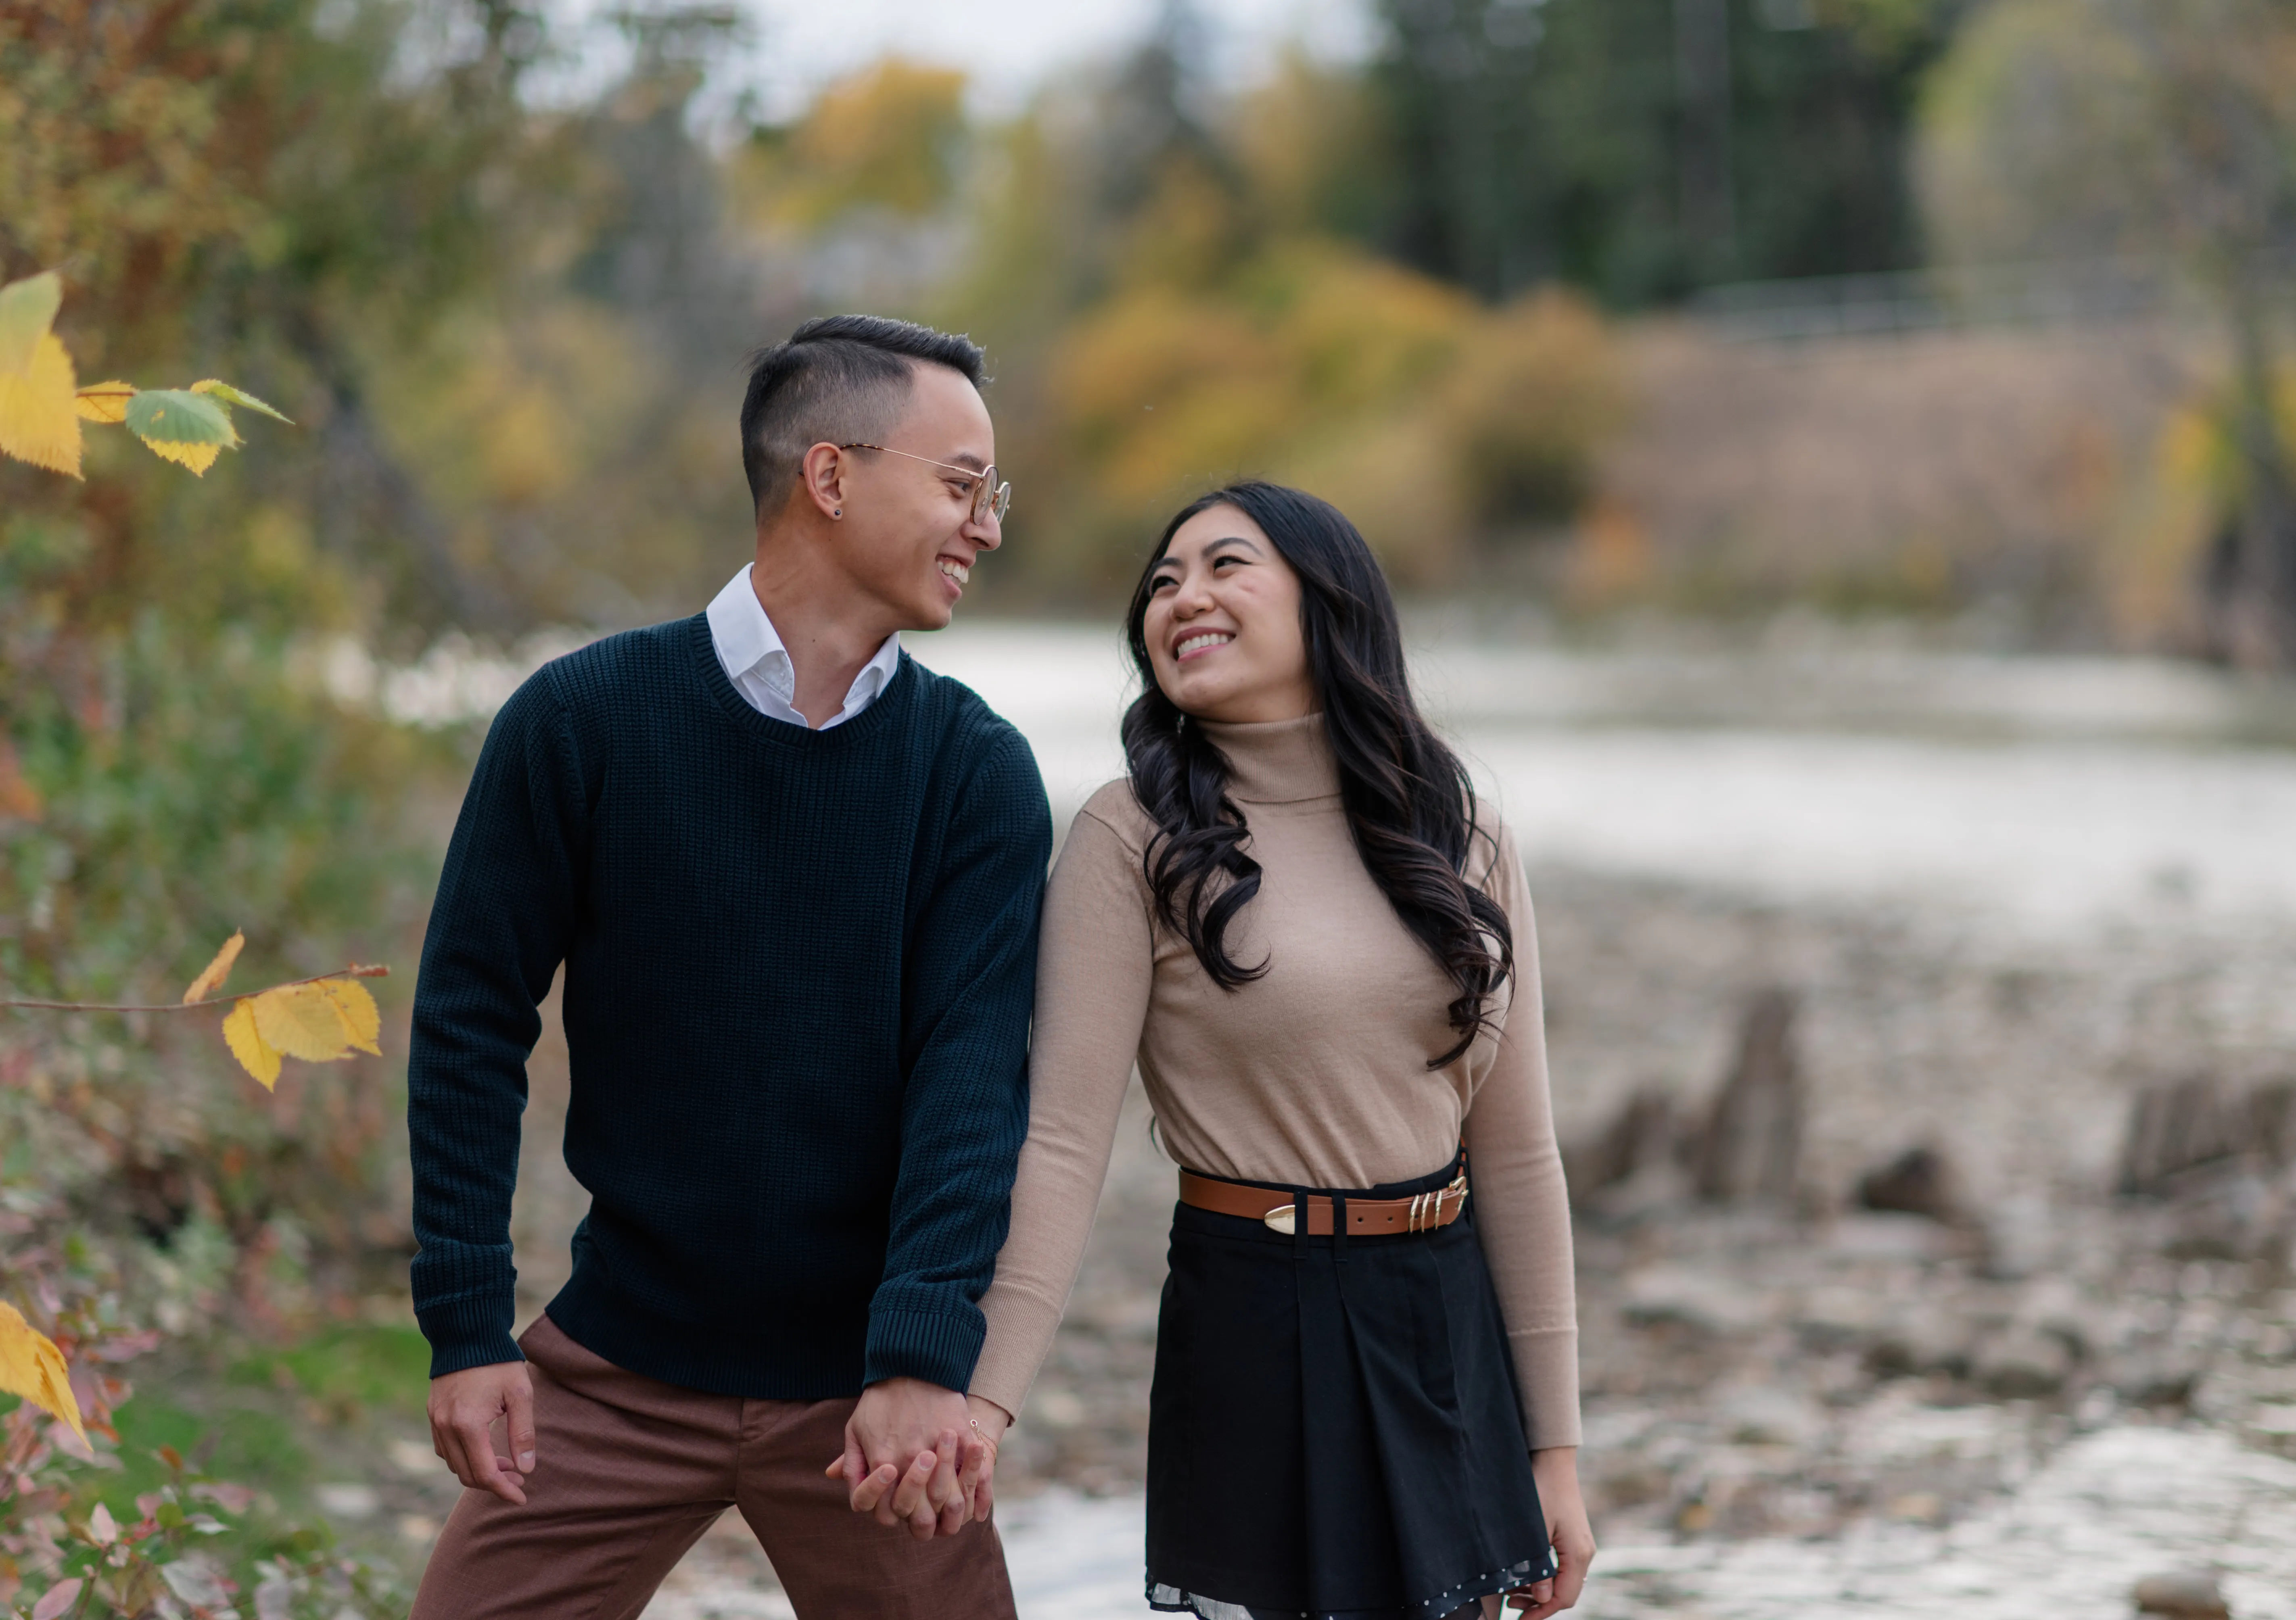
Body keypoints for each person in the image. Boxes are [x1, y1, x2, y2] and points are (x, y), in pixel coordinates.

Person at [405, 314, 1048, 1620]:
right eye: (961, 485)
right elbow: (470, 1022)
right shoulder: (581, 722)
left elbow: (971, 1077)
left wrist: (925, 1355)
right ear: (829, 476)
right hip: (615, 1367)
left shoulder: (974, 773)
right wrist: (467, 1331)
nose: (987, 525)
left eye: (995, 494)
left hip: (872, 1391)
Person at [950, 481, 1595, 1618]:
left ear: (1327, 598)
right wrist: (984, 1405)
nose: (1181, 597)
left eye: (1223, 566)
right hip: (1255, 1314)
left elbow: (1519, 1158)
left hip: (1443, 1322)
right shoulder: (1131, 836)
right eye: (1161, 582)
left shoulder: (1458, 826)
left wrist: (1557, 1453)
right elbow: (1059, 1145)